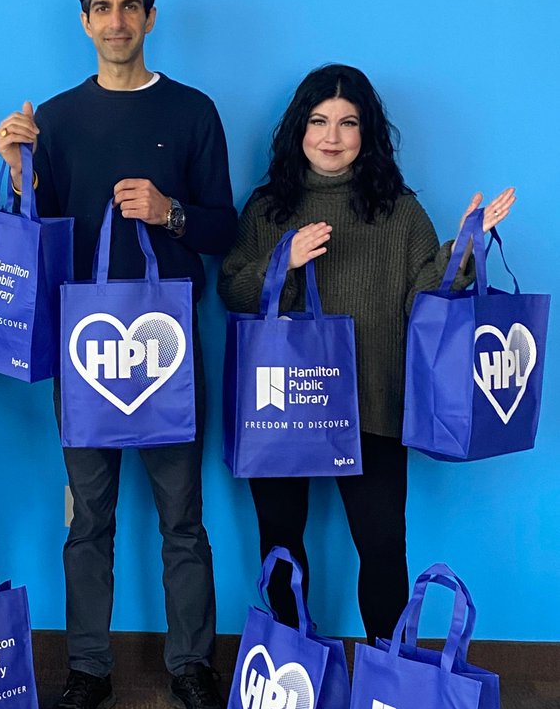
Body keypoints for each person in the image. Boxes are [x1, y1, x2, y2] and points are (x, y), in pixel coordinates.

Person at [0, 0, 238, 709]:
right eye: (102, 8)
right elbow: (41, 241)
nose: (117, 22)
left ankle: (191, 668)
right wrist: (18, 174)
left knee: (182, 519)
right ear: (84, 21)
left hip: (168, 345)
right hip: (85, 348)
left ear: (152, 17)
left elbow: (224, 230)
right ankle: (88, 673)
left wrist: (170, 214)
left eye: (131, 7)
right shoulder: (56, 121)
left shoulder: (194, 111)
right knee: (88, 519)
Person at [218, 63, 515, 641]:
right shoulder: (267, 207)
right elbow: (233, 287)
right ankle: (287, 665)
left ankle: (388, 672)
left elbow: (426, 301)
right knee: (281, 539)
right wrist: (286, 263)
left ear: (367, 132)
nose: (332, 136)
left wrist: (463, 251)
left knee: (382, 545)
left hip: (373, 403)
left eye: (348, 123)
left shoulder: (399, 210)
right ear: (298, 130)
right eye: (319, 121)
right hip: (282, 406)